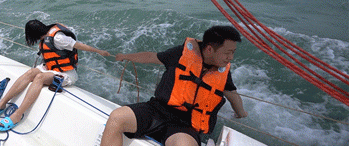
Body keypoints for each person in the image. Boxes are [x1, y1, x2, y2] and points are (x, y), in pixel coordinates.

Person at [101, 25, 248, 146]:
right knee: (116, 117)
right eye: (227, 53)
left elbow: (233, 96)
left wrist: (240, 113)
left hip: (185, 125)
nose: (231, 58)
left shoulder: (223, 72)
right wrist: (126, 56)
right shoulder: (181, 53)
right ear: (209, 49)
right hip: (157, 110)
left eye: (233, 53)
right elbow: (152, 57)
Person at [0, 19, 111, 131]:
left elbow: (79, 45)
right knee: (30, 73)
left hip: (66, 73)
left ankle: (18, 114)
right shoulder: (47, 33)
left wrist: (100, 51)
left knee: (39, 78)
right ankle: (2, 104)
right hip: (50, 68)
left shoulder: (58, 38)